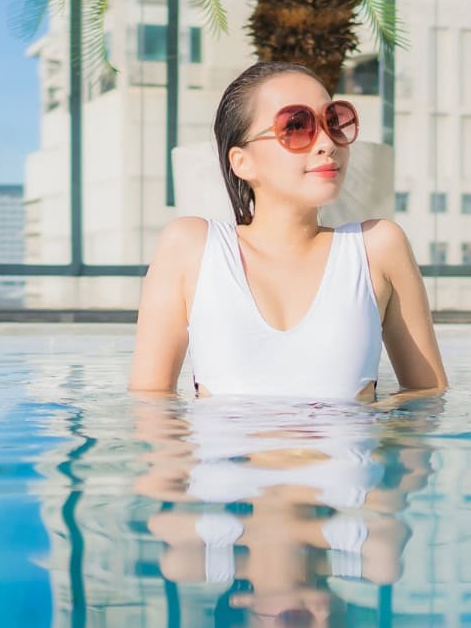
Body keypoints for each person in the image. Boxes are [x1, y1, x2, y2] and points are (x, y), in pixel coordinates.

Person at [128, 61, 448, 400]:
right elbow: (151, 405)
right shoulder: (190, 247)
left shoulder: (378, 247)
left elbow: (428, 395)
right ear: (242, 162)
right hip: (226, 452)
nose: (327, 143)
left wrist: (372, 423)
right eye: (297, 126)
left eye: (335, 121)